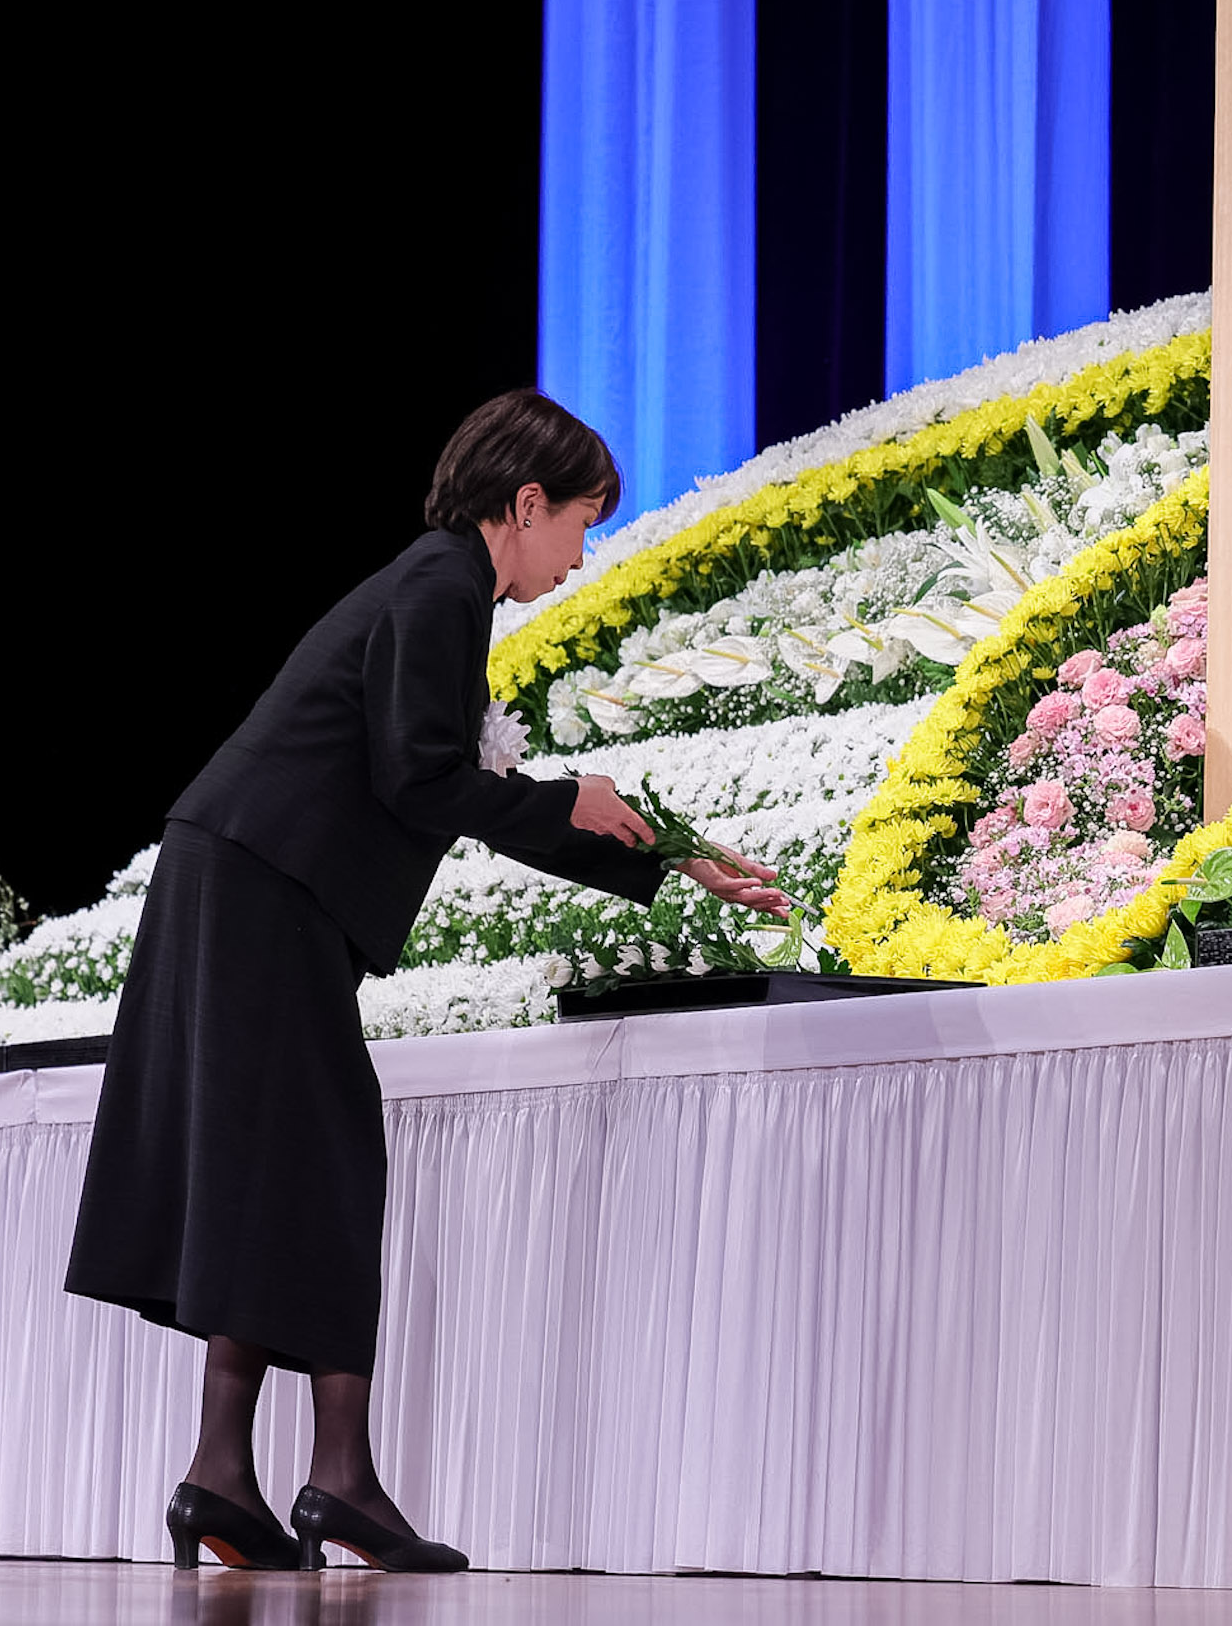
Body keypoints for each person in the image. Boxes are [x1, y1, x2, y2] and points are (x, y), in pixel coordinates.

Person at [65, 390, 788, 1574]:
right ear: (526, 503)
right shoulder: (443, 588)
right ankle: (334, 1480)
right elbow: (424, 781)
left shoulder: (441, 585)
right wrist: (572, 803)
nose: (581, 556)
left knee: (277, 1166)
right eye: (583, 528)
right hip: (261, 883)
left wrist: (673, 851)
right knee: (328, 1157)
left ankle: (222, 1476)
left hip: (246, 876)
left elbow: (439, 783)